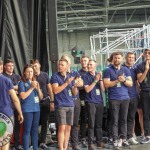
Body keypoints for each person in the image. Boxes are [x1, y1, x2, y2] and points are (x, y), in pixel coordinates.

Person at [103, 52, 133, 150]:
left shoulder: (126, 70)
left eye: (119, 58)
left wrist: (123, 80)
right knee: (115, 120)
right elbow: (106, 84)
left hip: (125, 98)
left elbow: (131, 84)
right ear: (112, 59)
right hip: (114, 99)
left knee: (123, 119)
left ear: (122, 59)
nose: (117, 60)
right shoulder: (108, 70)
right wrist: (117, 81)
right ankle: (115, 140)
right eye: (115, 58)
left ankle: (123, 139)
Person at [51, 59, 79, 150]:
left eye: (62, 65)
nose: (60, 66)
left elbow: (74, 93)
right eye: (59, 65)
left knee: (68, 128)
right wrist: (67, 83)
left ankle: (66, 147)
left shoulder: (70, 76)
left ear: (67, 67)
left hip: (70, 104)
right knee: (62, 127)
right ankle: (61, 148)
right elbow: (55, 90)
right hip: (61, 105)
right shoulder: (55, 76)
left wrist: (75, 86)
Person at [18, 64, 43, 150]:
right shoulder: (22, 83)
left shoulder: (35, 82)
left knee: (35, 130)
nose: (30, 73)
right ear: (24, 72)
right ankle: (26, 148)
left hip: (36, 109)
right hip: (27, 109)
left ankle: (35, 148)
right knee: (27, 130)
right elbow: (23, 96)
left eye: (31, 71)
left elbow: (41, 97)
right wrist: (32, 88)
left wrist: (38, 88)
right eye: (28, 71)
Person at [0, 60, 23, 150]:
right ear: (2, 67)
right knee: (5, 140)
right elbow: (15, 99)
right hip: (6, 113)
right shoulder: (6, 80)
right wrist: (20, 113)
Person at [31, 59, 54, 149]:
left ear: (39, 65)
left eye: (36, 66)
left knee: (45, 123)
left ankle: (43, 142)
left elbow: (50, 89)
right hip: (34, 103)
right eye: (33, 66)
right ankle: (35, 142)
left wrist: (52, 101)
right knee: (35, 123)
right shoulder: (30, 75)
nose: (34, 68)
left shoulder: (45, 75)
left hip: (45, 101)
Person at [61, 54, 82, 150]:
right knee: (64, 125)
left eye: (67, 60)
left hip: (75, 100)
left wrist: (77, 83)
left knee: (74, 123)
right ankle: (65, 144)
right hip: (64, 102)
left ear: (69, 63)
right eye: (63, 60)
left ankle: (74, 143)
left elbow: (81, 83)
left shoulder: (75, 73)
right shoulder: (61, 74)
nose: (65, 62)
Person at [82, 59, 105, 150]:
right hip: (90, 102)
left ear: (95, 66)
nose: (89, 66)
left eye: (91, 64)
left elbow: (103, 89)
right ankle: (90, 143)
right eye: (88, 64)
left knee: (99, 124)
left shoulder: (98, 75)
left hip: (99, 101)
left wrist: (101, 79)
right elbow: (87, 90)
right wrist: (95, 81)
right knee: (91, 123)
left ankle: (99, 141)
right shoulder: (85, 76)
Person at [122, 52, 139, 145]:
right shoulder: (122, 68)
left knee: (131, 118)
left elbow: (137, 82)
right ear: (126, 58)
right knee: (123, 118)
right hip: (124, 97)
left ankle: (130, 136)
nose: (131, 59)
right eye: (129, 57)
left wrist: (138, 92)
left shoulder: (135, 68)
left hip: (134, 96)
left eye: (132, 57)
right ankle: (123, 137)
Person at [137, 48, 150, 144]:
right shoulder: (140, 66)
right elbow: (140, 80)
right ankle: (147, 135)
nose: (147, 54)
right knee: (146, 114)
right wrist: (146, 70)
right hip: (145, 92)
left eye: (149, 52)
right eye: (146, 53)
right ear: (143, 55)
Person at [78, 55, 89, 148]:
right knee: (83, 118)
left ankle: (92, 137)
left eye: (85, 60)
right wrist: (85, 85)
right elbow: (78, 86)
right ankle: (83, 137)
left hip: (93, 99)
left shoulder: (93, 72)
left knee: (93, 119)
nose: (83, 62)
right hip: (82, 98)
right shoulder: (78, 73)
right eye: (82, 61)